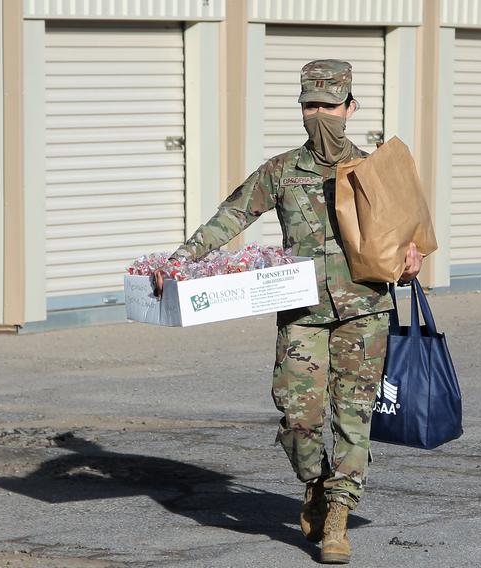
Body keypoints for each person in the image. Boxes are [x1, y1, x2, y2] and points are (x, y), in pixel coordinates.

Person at [154, 60, 423, 564]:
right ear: (301, 110)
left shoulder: (376, 171)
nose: (320, 115)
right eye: (311, 106)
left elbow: (408, 242)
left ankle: (338, 518)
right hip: (301, 310)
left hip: (364, 308)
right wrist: (179, 262)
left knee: (353, 416)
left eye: (330, 105)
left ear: (351, 109)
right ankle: (315, 485)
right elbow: (232, 215)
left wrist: (412, 260)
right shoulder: (281, 171)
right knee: (298, 416)